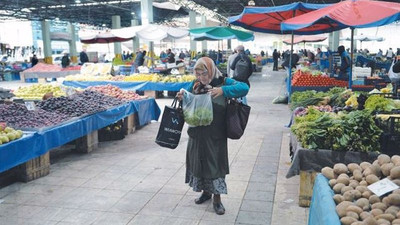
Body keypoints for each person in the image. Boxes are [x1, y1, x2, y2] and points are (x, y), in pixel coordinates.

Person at [176, 57, 249, 215]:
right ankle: (206, 193)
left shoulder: (223, 81)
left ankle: (217, 199)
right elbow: (187, 94)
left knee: (215, 165)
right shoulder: (195, 84)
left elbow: (244, 88)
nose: (201, 78)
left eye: (203, 74)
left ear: (211, 71)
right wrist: (182, 96)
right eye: (198, 74)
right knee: (200, 163)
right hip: (197, 133)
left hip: (215, 133)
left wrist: (223, 91)